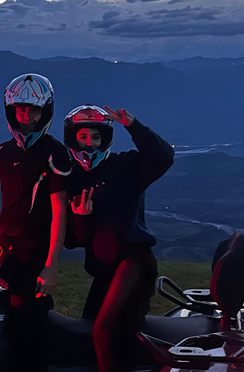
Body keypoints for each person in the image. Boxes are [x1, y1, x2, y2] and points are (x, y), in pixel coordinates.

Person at [0, 73, 71, 372]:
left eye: (33, 110)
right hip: (7, 250)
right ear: (10, 111)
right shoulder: (4, 152)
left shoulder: (54, 153)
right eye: (20, 109)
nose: (27, 117)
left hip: (33, 252)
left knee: (25, 328)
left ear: (45, 112)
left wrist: (52, 265)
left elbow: (60, 211)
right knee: (16, 323)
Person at [62, 104, 174, 372]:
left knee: (104, 330)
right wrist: (81, 217)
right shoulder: (73, 178)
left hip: (133, 260)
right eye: (83, 137)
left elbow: (163, 157)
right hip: (105, 269)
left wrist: (134, 126)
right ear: (73, 139)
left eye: (96, 137)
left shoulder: (126, 166)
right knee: (89, 328)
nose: (90, 143)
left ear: (105, 139)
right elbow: (73, 240)